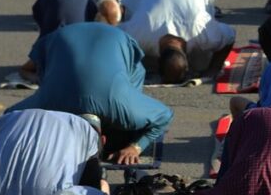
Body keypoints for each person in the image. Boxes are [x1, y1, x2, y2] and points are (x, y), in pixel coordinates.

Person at [10, 23, 173, 165]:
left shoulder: (50, 105)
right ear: (103, 139)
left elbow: (164, 115)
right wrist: (136, 146)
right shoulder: (49, 104)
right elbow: (10, 115)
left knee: (131, 87)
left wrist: (135, 147)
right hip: (72, 37)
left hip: (95, 38)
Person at [116, 0, 237, 82]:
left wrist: (213, 69)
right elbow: (113, 37)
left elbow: (230, 36)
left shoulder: (202, 33)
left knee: (202, 62)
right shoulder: (139, 34)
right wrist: (212, 69)